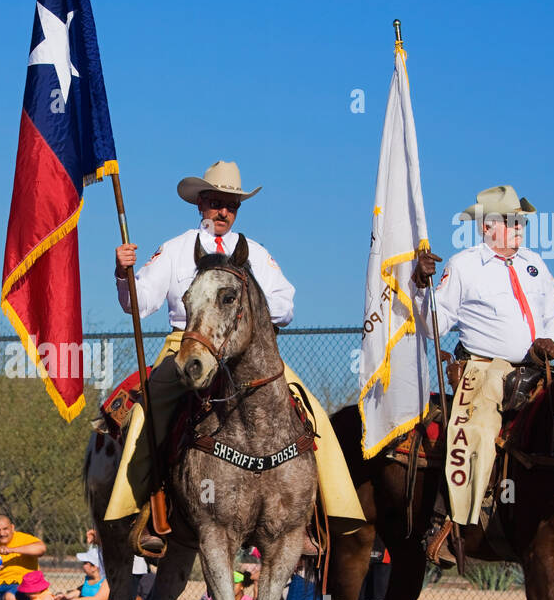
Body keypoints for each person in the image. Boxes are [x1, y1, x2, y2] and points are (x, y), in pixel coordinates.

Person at [105, 160, 364, 546]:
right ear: (200, 204)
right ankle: (143, 511)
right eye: (215, 202)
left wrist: (250, 313)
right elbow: (138, 304)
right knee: (147, 415)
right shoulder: (174, 250)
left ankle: (314, 517)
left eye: (231, 205)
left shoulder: (255, 253)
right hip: (187, 345)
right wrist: (121, 273)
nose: (223, 211)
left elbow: (285, 305)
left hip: (249, 354)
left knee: (312, 415)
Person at [413, 185, 554, 527]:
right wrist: (422, 288)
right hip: (483, 369)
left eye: (521, 222)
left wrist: (552, 341)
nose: (519, 229)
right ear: (486, 227)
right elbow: (433, 326)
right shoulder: (464, 265)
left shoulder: (534, 263)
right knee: (478, 430)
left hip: (539, 367)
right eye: (511, 222)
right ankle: (452, 517)